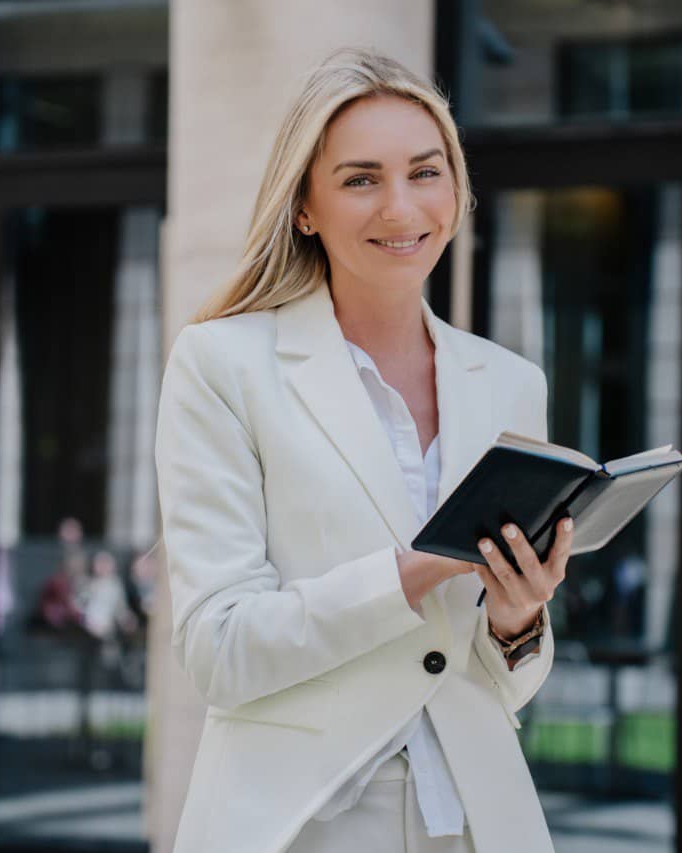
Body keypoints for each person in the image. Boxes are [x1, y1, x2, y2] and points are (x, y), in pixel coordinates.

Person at [154, 48, 573, 853]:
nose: (401, 206)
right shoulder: (223, 365)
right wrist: (415, 570)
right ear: (304, 207)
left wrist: (520, 619)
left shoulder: (511, 383)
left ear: (457, 190)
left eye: (425, 171)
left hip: (476, 818)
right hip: (304, 821)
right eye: (359, 179)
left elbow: (503, 676)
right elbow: (221, 647)